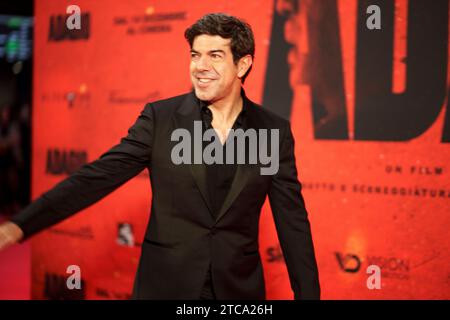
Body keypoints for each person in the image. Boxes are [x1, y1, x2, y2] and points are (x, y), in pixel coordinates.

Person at [0, 13, 320, 300]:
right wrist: (18, 226)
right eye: (195, 55)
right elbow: (96, 178)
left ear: (243, 64)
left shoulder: (273, 131)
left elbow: (292, 221)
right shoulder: (161, 119)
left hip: (239, 290)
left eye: (215, 56)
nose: (200, 67)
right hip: (166, 285)